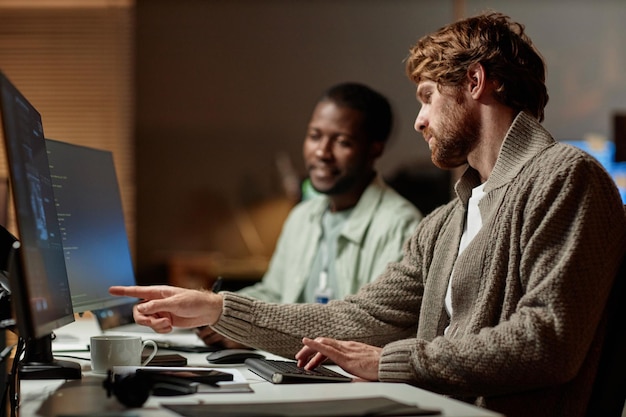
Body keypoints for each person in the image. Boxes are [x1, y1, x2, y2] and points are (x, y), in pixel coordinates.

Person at [110, 12, 626, 417]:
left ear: (475, 82)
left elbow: (545, 341)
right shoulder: (447, 222)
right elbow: (351, 317)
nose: (420, 120)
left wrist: (391, 364)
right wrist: (218, 309)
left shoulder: (564, 176)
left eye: (427, 98)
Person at [197, 82, 423, 347]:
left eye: (342, 142)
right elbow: (275, 293)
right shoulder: (302, 216)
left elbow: (373, 327)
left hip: (347, 378)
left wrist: (250, 330)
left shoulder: (400, 224)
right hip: (294, 369)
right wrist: (218, 310)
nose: (321, 153)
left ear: (375, 149)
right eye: (315, 136)